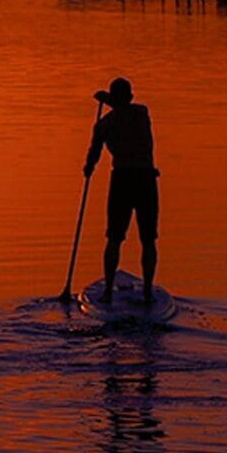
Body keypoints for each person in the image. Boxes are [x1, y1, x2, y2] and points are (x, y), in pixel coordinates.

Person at [83, 77, 159, 305]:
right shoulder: (141, 113)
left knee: (114, 238)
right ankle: (146, 291)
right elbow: (123, 108)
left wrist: (88, 168)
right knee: (148, 239)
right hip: (145, 179)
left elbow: (93, 155)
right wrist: (108, 99)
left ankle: (107, 291)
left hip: (122, 181)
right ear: (131, 97)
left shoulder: (104, 125)